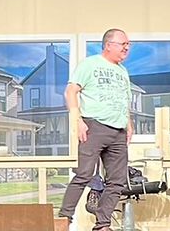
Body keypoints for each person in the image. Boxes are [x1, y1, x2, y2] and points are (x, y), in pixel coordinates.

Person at [58, 29, 134, 231]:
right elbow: (71, 91)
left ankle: (102, 224)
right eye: (123, 44)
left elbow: (124, 100)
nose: (127, 48)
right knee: (84, 174)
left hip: (118, 132)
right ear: (108, 45)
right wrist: (78, 120)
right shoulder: (90, 64)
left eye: (128, 44)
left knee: (117, 181)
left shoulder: (123, 72)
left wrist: (128, 124)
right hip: (94, 127)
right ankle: (63, 220)